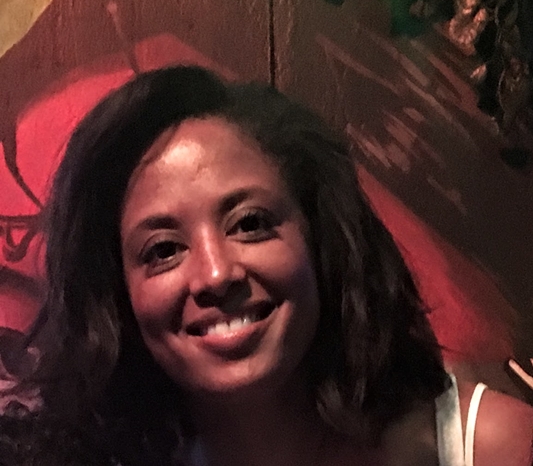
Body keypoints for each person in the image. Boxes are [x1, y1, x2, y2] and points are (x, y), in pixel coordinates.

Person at [1, 65, 532, 465]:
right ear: (118, 295)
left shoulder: (486, 447)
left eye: (249, 223)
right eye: (163, 250)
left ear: (320, 237)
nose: (216, 274)